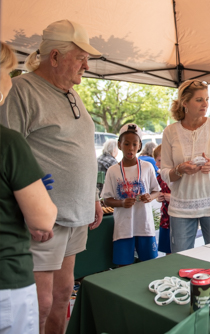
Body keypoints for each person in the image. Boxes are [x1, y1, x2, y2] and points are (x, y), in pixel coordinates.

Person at [0, 20, 103, 334]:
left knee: (62, 296)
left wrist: (93, 198)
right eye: (80, 57)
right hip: (43, 222)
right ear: (55, 57)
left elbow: (81, 151)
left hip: (75, 216)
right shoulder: (22, 90)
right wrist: (29, 215)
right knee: (40, 302)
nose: (87, 65)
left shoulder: (72, 93)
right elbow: (7, 156)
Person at [0, 41, 58, 334]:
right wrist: (36, 200)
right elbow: (43, 219)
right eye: (7, 72)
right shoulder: (8, 142)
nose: (10, 81)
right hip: (6, 280)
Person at [160, 79, 210, 253]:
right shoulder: (170, 132)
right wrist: (180, 169)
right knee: (180, 260)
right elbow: (165, 172)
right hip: (182, 208)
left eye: (207, 99)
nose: (205, 104)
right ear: (185, 103)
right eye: (199, 99)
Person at [102, 123, 160, 265]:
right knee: (123, 266)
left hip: (144, 226)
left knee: (149, 264)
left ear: (139, 145)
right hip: (123, 228)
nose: (131, 148)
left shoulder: (147, 167)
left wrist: (149, 197)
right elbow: (106, 199)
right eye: (126, 144)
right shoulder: (113, 170)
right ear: (119, 145)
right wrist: (121, 203)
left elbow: (156, 191)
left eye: (134, 144)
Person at [153, 144, 171, 254]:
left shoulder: (178, 176)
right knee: (167, 250)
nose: (157, 164)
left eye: (159, 160)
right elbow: (156, 193)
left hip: (177, 219)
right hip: (165, 219)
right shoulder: (159, 177)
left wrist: (172, 198)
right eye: (156, 161)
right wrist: (158, 197)